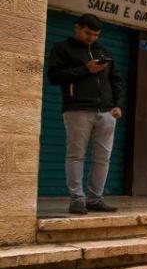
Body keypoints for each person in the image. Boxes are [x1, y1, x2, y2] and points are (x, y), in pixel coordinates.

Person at [46, 14, 122, 215]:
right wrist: (85, 70)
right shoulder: (62, 49)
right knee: (76, 156)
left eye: (96, 34)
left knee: (103, 158)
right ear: (77, 28)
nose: (92, 38)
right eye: (88, 33)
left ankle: (95, 199)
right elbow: (54, 76)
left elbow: (115, 80)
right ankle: (77, 200)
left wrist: (117, 105)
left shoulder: (103, 51)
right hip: (77, 109)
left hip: (106, 112)